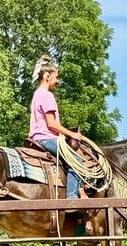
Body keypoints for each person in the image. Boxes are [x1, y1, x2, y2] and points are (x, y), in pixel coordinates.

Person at [28, 55, 84, 207]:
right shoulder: (47, 95)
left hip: (35, 138)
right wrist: (72, 134)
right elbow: (51, 124)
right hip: (46, 139)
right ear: (47, 76)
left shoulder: (36, 95)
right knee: (77, 161)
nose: (57, 81)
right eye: (56, 77)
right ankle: (71, 197)